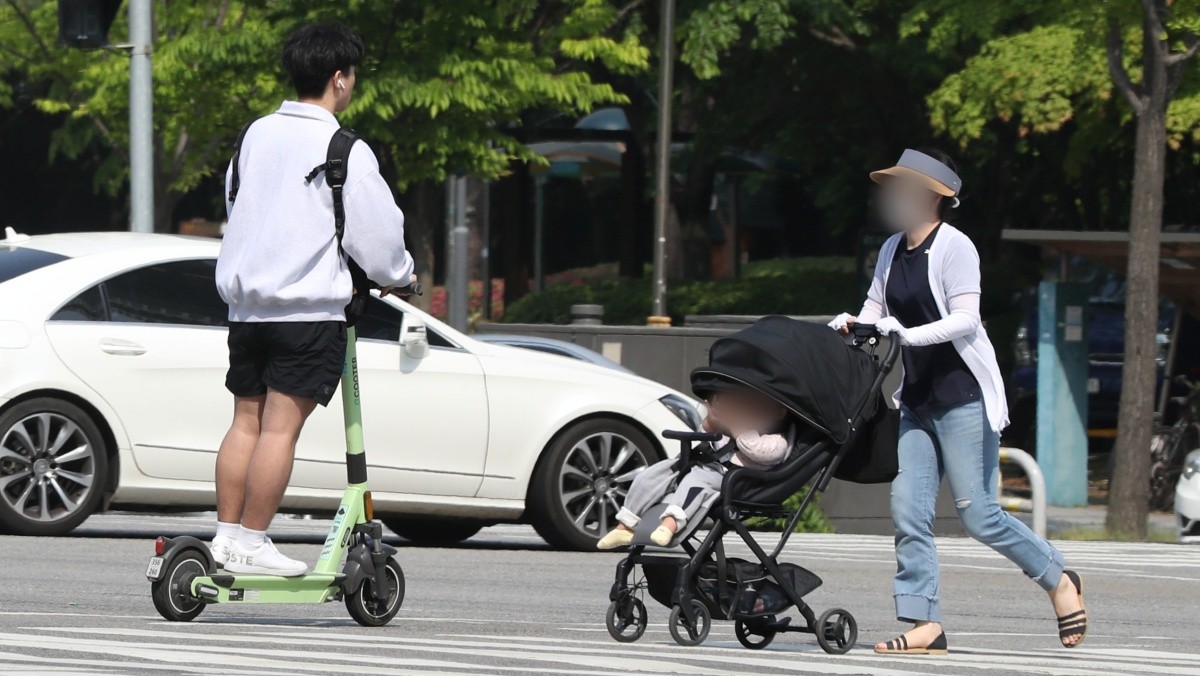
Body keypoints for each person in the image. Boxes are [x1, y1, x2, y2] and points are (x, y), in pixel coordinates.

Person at [829, 148, 1088, 653]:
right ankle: (925, 621)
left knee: (979, 514)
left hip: (963, 395)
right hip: (918, 400)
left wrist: (904, 332)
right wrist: (854, 324)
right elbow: (875, 307)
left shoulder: (955, 247)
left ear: (932, 196)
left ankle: (1060, 579)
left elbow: (967, 319)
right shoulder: (890, 250)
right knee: (908, 512)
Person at [211, 22, 415, 576]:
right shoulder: (342, 146)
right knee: (280, 429)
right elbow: (378, 238)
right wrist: (400, 274)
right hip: (306, 312)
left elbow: (236, 200)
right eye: (352, 75)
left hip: (246, 308)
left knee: (244, 424)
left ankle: (226, 537)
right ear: (339, 79)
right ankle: (253, 541)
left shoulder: (254, 135)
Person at [597, 388, 790, 550]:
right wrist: (713, 420)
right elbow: (704, 433)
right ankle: (626, 523)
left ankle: (669, 525)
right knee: (653, 474)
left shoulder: (777, 441)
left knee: (694, 482)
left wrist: (734, 423)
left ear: (779, 414)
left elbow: (756, 450)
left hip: (732, 480)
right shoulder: (732, 431)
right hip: (706, 465)